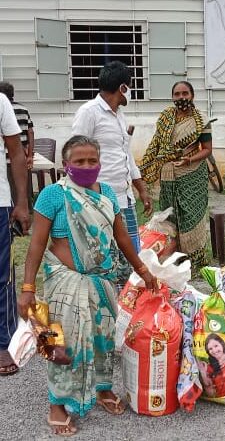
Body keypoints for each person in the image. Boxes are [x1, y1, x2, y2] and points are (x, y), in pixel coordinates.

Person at [17, 135, 157, 436]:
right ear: (65, 165)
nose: (86, 165)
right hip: (65, 284)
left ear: (100, 163)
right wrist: (28, 287)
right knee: (60, 344)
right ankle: (57, 403)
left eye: (92, 160)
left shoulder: (106, 193)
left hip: (102, 281)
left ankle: (103, 388)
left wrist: (144, 271)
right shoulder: (53, 196)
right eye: (79, 161)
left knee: (103, 339)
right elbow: (37, 245)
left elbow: (122, 238)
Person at [72, 61, 152, 288]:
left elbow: (126, 155)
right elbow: (74, 153)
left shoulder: (119, 116)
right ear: (122, 88)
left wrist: (141, 189)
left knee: (131, 254)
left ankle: (127, 307)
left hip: (124, 197)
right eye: (130, 86)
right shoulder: (89, 113)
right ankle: (109, 307)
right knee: (105, 258)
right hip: (100, 200)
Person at [139, 81, 212, 269]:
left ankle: (193, 258)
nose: (181, 98)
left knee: (190, 214)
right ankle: (173, 257)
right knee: (170, 214)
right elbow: (157, 146)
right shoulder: (165, 118)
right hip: (168, 173)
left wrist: (188, 160)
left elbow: (207, 150)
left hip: (192, 173)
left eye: (185, 93)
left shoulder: (201, 120)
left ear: (192, 96)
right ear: (172, 97)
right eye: (177, 94)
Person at [0, 92, 30, 376]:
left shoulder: (0, 101)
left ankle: (3, 342)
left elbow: (16, 153)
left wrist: (22, 202)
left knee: (1, 275)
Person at [0, 81, 34, 169]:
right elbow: (30, 132)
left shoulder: (2, 110)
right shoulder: (23, 109)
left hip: (3, 159)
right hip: (22, 158)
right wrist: (30, 155)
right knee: (23, 182)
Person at [198, 334, 225, 398]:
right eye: (210, 349)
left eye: (216, 346)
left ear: (222, 344)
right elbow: (210, 393)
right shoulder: (210, 368)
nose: (214, 350)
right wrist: (203, 373)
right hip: (222, 401)